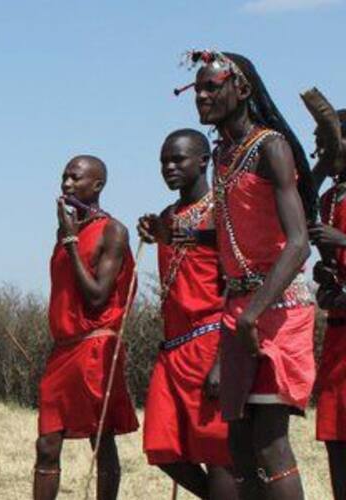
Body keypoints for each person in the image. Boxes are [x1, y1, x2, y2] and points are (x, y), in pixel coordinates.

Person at [181, 50, 316, 498]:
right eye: (197, 88)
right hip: (242, 309)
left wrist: (251, 315)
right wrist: (174, 235)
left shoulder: (270, 147)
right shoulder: (222, 156)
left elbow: (298, 243)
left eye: (211, 86)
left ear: (241, 89)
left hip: (278, 309)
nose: (201, 95)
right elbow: (228, 238)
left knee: (270, 442)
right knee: (238, 445)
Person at [34, 155, 138, 500]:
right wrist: (68, 238)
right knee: (47, 443)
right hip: (63, 350)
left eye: (75, 178)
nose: (66, 184)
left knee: (101, 439)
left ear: (97, 185)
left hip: (95, 347)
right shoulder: (69, 232)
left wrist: (70, 243)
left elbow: (96, 297)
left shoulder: (113, 231)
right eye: (64, 177)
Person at [137, 130, 234, 499]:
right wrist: (157, 233)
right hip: (173, 348)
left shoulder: (222, 212)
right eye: (164, 161)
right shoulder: (168, 215)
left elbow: (236, 289)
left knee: (218, 452)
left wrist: (224, 360)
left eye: (178, 159)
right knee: (162, 447)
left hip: (212, 341)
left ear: (204, 161)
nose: (169, 167)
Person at [307, 106, 346, 498]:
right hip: (338, 334)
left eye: (329, 143)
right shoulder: (329, 197)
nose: (321, 154)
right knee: (336, 438)